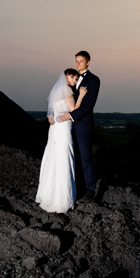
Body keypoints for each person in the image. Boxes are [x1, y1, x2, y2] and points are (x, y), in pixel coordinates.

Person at [36, 68, 87, 213]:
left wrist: (50, 116)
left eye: (76, 79)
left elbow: (51, 111)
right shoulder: (67, 91)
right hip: (63, 127)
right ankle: (61, 200)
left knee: (53, 158)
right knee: (64, 158)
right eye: (72, 77)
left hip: (54, 128)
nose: (74, 81)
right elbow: (74, 110)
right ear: (65, 77)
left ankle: (48, 196)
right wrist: (81, 96)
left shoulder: (55, 91)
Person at [59, 51, 100, 203]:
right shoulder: (71, 79)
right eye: (76, 61)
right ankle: (75, 189)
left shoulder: (94, 80)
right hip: (68, 126)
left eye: (81, 61)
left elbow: (89, 105)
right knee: (72, 157)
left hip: (83, 125)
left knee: (86, 158)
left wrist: (71, 116)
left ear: (88, 62)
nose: (78, 64)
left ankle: (90, 192)